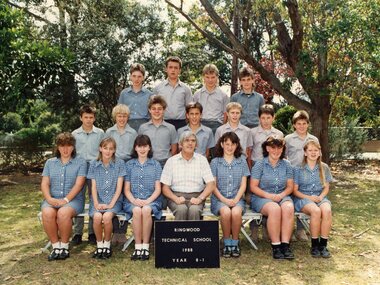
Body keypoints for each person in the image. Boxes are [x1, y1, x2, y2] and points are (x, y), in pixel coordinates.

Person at [41, 132, 87, 261]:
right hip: (52, 198)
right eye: (62, 146)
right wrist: (49, 199)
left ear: (73, 147)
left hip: (73, 200)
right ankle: (56, 247)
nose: (65, 149)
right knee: (47, 213)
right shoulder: (50, 163)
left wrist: (65, 200)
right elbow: (45, 183)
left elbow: (79, 185)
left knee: (63, 213)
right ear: (57, 147)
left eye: (69, 146)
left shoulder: (81, 162)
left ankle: (65, 247)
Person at [250, 136, 295, 260]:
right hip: (261, 197)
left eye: (279, 148)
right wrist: (269, 196)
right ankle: (276, 246)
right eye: (273, 147)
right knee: (274, 209)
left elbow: (290, 187)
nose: (276, 151)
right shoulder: (260, 164)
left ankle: (285, 245)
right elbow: (253, 187)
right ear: (267, 148)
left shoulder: (287, 164)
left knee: (288, 207)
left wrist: (281, 195)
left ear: (282, 149)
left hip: (282, 195)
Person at [210, 132, 250, 258]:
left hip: (237, 197)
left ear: (237, 145)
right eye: (227, 144)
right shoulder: (215, 162)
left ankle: (235, 243)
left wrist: (236, 199)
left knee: (236, 212)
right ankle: (227, 242)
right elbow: (213, 186)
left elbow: (243, 185)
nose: (230, 147)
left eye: (233, 144)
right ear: (222, 144)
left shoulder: (242, 161)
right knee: (226, 212)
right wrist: (225, 200)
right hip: (219, 198)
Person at [123, 135, 162, 261]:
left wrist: (147, 201)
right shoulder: (129, 165)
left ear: (149, 147)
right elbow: (126, 190)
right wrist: (134, 201)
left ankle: (145, 247)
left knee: (145, 210)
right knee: (136, 210)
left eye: (145, 146)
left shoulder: (156, 165)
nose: (142, 149)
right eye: (139, 146)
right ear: (135, 148)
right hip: (132, 200)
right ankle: (137, 247)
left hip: (152, 200)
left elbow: (158, 189)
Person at [161, 131, 215, 220]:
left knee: (194, 210)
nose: (190, 143)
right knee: (181, 209)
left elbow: (211, 184)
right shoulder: (171, 161)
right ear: (180, 144)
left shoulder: (202, 160)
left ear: (196, 145)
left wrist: (200, 198)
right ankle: (180, 234)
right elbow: (165, 188)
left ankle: (194, 234)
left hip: (197, 196)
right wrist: (175, 198)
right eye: (187, 140)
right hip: (176, 196)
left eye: (193, 141)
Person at [249, 104, 284, 241]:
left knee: (270, 199)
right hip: (257, 169)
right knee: (254, 198)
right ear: (259, 118)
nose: (265, 120)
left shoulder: (279, 134)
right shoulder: (252, 132)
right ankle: (253, 229)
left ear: (273, 118)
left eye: (268, 117)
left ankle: (267, 228)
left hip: (273, 170)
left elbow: (280, 153)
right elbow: (249, 152)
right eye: (262, 118)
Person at [293, 140, 333, 258]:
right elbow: (295, 190)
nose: (313, 152)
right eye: (310, 150)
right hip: (303, 198)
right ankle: (314, 245)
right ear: (305, 153)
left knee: (327, 210)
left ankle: (323, 245)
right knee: (315, 211)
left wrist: (320, 197)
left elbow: (326, 187)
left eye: (316, 150)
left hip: (319, 196)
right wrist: (310, 198)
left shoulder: (324, 167)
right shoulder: (298, 168)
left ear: (319, 152)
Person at [87, 137, 126, 259]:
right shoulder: (93, 164)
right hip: (98, 199)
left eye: (111, 149)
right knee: (97, 217)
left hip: (115, 200)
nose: (108, 151)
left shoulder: (119, 163)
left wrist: (110, 204)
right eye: (105, 148)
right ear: (100, 149)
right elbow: (93, 187)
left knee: (108, 217)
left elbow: (119, 188)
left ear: (114, 150)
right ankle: (99, 246)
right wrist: (97, 203)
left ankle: (107, 245)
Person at [71, 105, 104, 245]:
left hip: (94, 167)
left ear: (94, 118)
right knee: (78, 197)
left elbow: (103, 151)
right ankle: (77, 232)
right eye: (86, 117)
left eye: (91, 117)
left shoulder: (100, 133)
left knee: (93, 197)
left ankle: (92, 232)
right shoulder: (75, 134)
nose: (88, 120)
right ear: (81, 118)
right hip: (79, 167)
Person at [285, 110, 319, 241]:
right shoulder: (288, 139)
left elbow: (317, 156)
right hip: (292, 174)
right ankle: (290, 229)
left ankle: (301, 230)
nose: (301, 126)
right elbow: (284, 155)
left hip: (307, 175)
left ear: (308, 124)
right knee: (291, 201)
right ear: (294, 125)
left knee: (304, 201)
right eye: (298, 123)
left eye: (304, 123)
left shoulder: (313, 139)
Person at [106, 104, 137, 244]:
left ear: (128, 117)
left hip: (129, 166)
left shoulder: (133, 133)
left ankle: (122, 232)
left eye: (124, 116)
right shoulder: (109, 132)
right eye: (119, 116)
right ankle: (115, 232)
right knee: (114, 196)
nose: (122, 118)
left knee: (126, 197)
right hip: (113, 166)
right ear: (115, 117)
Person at [153, 56, 193, 130]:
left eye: (176, 68)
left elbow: (189, 109)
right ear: (166, 69)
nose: (173, 70)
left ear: (179, 70)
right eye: (170, 67)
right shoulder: (158, 88)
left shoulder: (186, 89)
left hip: (181, 124)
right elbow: (153, 108)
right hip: (163, 123)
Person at [138, 95, 178, 168]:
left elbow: (174, 149)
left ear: (164, 110)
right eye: (153, 109)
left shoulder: (171, 128)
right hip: (148, 162)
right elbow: (139, 147)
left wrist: (169, 162)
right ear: (149, 110)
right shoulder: (143, 128)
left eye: (159, 109)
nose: (157, 111)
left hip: (165, 163)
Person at [215, 102, 253, 169]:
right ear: (227, 114)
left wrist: (249, 167)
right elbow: (217, 149)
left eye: (237, 113)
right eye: (232, 113)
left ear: (240, 114)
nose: (235, 115)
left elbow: (248, 151)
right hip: (224, 163)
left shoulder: (247, 131)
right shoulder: (220, 130)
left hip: (241, 163)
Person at [193, 63, 229, 134]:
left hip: (217, 125)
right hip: (201, 124)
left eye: (213, 77)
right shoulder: (197, 94)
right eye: (207, 77)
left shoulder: (223, 95)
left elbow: (226, 114)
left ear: (217, 77)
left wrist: (222, 128)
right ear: (203, 77)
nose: (210, 80)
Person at [118, 63, 153, 132]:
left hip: (145, 127)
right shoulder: (124, 93)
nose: (136, 79)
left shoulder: (149, 94)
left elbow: (152, 114)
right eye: (134, 76)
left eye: (139, 76)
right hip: (127, 126)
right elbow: (119, 112)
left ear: (143, 77)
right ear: (130, 77)